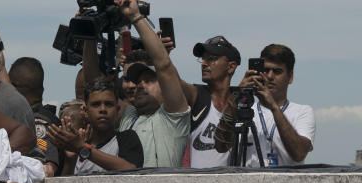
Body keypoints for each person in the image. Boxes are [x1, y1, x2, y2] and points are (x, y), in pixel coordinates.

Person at [99, 0, 190, 168]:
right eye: (137, 80)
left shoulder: (174, 117)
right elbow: (95, 85)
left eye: (149, 80)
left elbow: (163, 66)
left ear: (164, 84)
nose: (140, 85)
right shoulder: (128, 115)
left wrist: (135, 17)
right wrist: (90, 33)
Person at [215, 44, 315, 167]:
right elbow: (220, 147)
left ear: (290, 77)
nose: (270, 76)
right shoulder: (242, 109)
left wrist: (273, 107)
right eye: (266, 70)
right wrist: (237, 95)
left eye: (277, 71)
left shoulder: (302, 111)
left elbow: (299, 154)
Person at [47, 77, 143, 175]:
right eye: (96, 104)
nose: (103, 109)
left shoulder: (126, 138)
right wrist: (70, 160)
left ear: (117, 110)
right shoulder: (73, 145)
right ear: (85, 111)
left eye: (109, 104)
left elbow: (131, 170)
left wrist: (83, 149)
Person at [176, 36, 241, 168]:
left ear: (231, 67)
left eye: (211, 59)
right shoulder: (196, 95)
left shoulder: (243, 102)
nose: (204, 63)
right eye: (203, 59)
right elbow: (170, 78)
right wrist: (164, 54)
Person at [8, 56, 60, 173]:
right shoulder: (47, 119)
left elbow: (44, 168)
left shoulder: (38, 123)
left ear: (13, 87)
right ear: (41, 89)